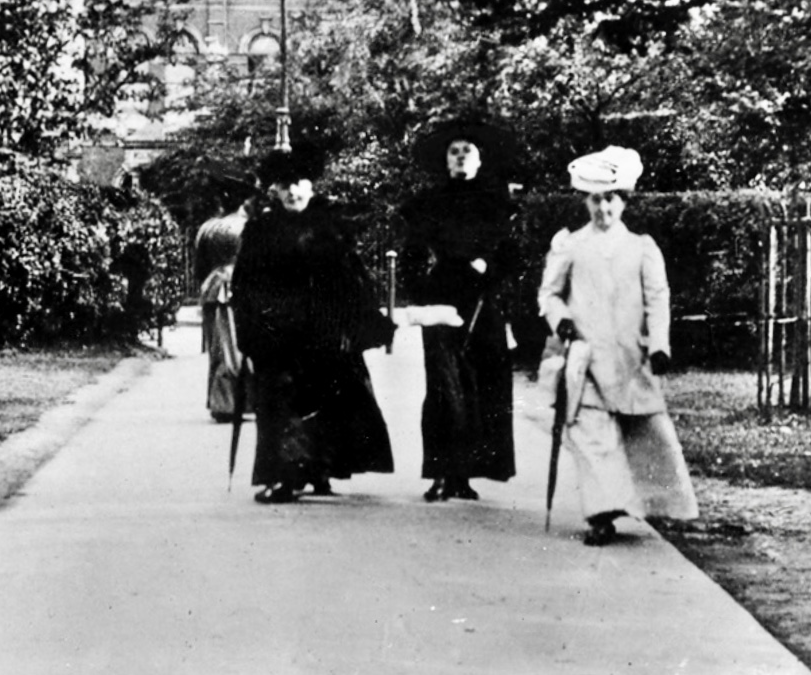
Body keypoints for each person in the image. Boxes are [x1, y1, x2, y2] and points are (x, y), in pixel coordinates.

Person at [538, 146, 699, 545]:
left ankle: (657, 503)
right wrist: (562, 321)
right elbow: (549, 293)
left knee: (646, 432)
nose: (603, 208)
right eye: (595, 199)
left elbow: (657, 298)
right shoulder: (570, 245)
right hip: (585, 358)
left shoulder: (642, 247)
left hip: (632, 358)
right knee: (593, 436)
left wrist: (659, 345)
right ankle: (602, 515)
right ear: (585, 201)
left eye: (610, 199)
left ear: (623, 201)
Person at [229, 143, 394, 503]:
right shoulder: (261, 230)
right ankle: (285, 477)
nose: (292, 191)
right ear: (274, 190)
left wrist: (357, 326)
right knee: (281, 404)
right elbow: (244, 285)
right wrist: (252, 330)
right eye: (284, 184)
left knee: (328, 399)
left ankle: (319, 469)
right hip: (278, 334)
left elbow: (354, 280)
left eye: (299, 183)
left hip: (324, 331)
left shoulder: (330, 227)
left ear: (312, 186)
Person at [398, 115, 519, 502]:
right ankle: (439, 473)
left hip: (484, 304)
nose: (462, 156)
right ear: (445, 160)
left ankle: (465, 475)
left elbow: (514, 257)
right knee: (442, 387)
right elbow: (412, 256)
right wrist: (423, 291)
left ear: (480, 158)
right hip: (442, 303)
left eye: (469, 151)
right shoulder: (427, 204)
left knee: (482, 389)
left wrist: (490, 269)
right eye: (455, 151)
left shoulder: (500, 205)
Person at [195, 166, 251, 423]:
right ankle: (242, 402)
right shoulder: (251, 227)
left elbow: (200, 267)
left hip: (213, 289)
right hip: (243, 289)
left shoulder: (207, 228)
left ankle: (223, 402)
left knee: (220, 348)